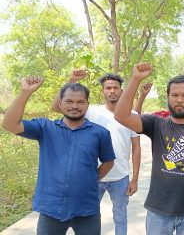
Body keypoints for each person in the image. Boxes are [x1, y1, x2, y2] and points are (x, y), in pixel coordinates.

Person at [114, 63, 184, 235]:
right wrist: (135, 79)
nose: (179, 100)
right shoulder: (156, 124)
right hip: (158, 210)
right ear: (168, 97)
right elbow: (121, 115)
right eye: (175, 95)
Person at [2, 77, 115, 235]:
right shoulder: (45, 128)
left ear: (87, 105)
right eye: (68, 101)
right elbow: (9, 124)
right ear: (60, 104)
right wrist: (25, 92)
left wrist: (91, 177)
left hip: (87, 208)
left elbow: (108, 161)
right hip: (51, 209)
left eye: (80, 102)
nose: (74, 106)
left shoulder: (100, 133)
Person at [52, 70, 141, 235]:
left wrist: (135, 178)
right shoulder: (91, 111)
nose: (112, 91)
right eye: (108, 88)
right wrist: (71, 81)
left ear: (121, 90)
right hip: (94, 176)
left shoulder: (132, 115)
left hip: (121, 177)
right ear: (103, 91)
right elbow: (59, 107)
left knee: (120, 216)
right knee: (89, 217)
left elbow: (136, 148)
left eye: (115, 87)